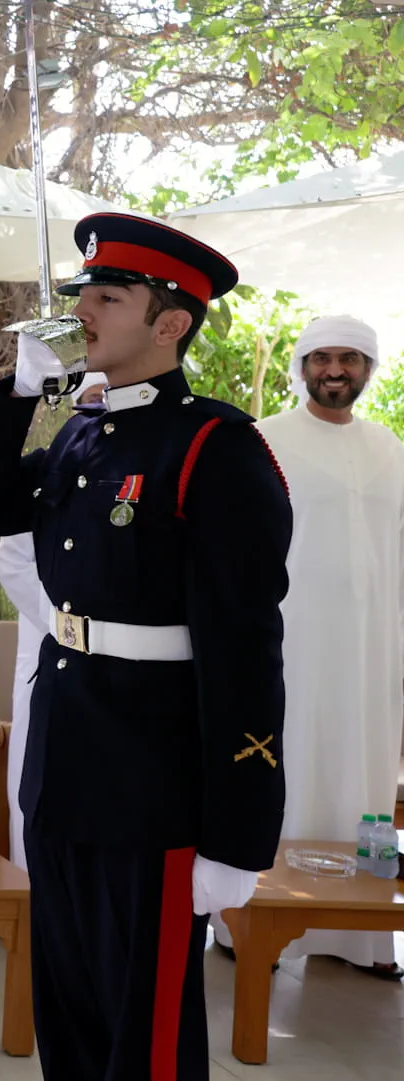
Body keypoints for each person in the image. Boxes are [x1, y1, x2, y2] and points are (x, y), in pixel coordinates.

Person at [0, 212, 291, 1081]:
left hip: (154, 788)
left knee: (147, 1037)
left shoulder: (217, 448)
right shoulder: (82, 432)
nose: (82, 312)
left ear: (170, 324)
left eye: (108, 297)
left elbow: (246, 651)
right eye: (81, 294)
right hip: (63, 768)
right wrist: (18, 393)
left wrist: (238, 838)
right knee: (71, 1016)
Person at [238, 315, 403, 979]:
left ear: (368, 368)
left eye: (350, 358)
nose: (336, 370)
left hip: (372, 651)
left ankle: (360, 937)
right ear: (303, 366)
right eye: (323, 357)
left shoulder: (389, 446)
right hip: (289, 641)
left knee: (363, 776)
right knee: (286, 768)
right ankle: (254, 923)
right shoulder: (264, 441)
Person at [0, 374, 107, 871]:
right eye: (94, 401)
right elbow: (13, 563)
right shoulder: (52, 470)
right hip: (52, 656)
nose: (104, 408)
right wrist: (72, 629)